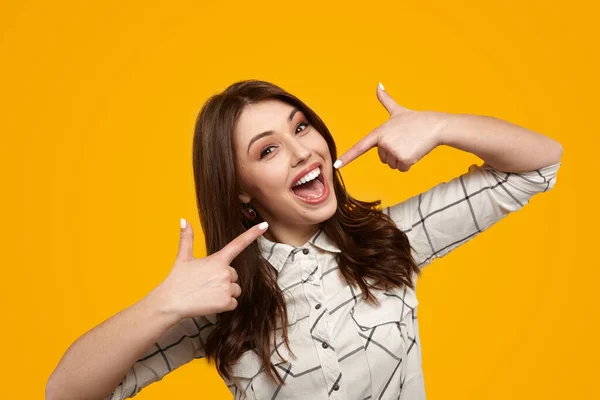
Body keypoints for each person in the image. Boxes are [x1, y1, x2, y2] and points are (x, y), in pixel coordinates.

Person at [46, 79, 563, 400]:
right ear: (242, 192)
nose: (301, 152)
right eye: (267, 151)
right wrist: (162, 305)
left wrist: (444, 125)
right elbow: (64, 394)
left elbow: (538, 166)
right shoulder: (223, 301)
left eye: (301, 128)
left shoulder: (391, 241)